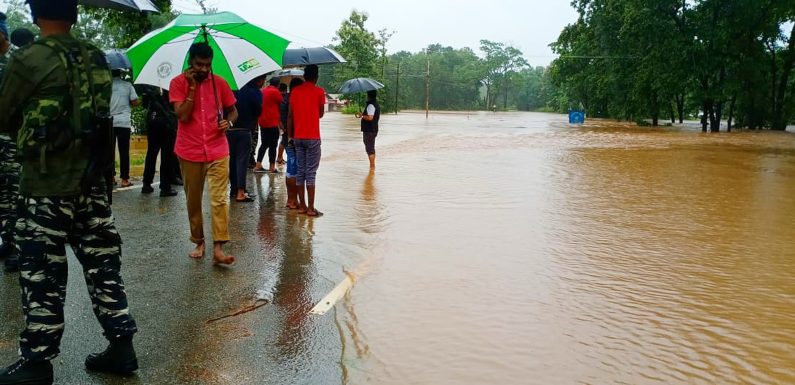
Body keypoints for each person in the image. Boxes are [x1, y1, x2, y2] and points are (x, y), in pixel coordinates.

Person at [0, 1, 139, 383]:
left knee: (42, 272)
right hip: (92, 181)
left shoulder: (28, 57)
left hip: (46, 184)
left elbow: (4, 115)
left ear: (34, 12)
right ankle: (122, 346)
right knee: (103, 265)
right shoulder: (94, 56)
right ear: (74, 12)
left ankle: (38, 363)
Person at [170, 42, 238, 265]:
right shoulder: (178, 83)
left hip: (218, 148)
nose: (203, 69)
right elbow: (182, 115)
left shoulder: (220, 84)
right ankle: (199, 241)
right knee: (193, 200)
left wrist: (228, 122)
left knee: (219, 199)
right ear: (191, 62)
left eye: (207, 65)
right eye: (199, 64)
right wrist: (191, 88)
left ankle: (219, 247)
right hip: (189, 150)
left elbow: (233, 111)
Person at [287, 64, 325, 217]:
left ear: (304, 76)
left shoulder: (295, 91)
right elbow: (320, 114)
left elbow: (290, 116)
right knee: (311, 173)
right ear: (316, 77)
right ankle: (311, 208)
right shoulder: (319, 92)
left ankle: (302, 206)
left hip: (297, 137)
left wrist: (290, 136)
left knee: (300, 172)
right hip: (313, 138)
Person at [0, 11, 21, 273]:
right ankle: (7, 239)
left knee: (15, 195)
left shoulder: (19, 61)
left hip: (14, 141)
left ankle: (18, 248)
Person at [140, 86, 178, 197]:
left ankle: (146, 183)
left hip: (152, 119)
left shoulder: (150, 86)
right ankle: (165, 186)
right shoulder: (172, 85)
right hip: (167, 120)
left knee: (151, 152)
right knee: (167, 154)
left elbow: (144, 104)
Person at [230, 76, 263, 202]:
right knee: (241, 161)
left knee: (232, 162)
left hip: (229, 129)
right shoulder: (254, 92)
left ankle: (234, 190)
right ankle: (240, 192)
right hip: (245, 131)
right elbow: (258, 111)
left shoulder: (231, 89)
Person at [110, 69, 140, 188]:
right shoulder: (128, 86)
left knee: (109, 151)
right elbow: (135, 101)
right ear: (121, 74)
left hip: (110, 122)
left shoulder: (107, 86)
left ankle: (111, 177)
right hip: (123, 123)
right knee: (124, 151)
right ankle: (124, 179)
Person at [282, 78, 303, 210]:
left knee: (290, 170)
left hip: (287, 138)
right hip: (294, 139)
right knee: (295, 170)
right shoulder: (294, 100)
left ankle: (291, 199)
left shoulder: (284, 99)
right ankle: (292, 200)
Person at [255, 77, 283, 173]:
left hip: (262, 122)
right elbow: (281, 104)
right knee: (273, 145)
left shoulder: (262, 91)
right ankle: (272, 167)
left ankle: (258, 164)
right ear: (278, 84)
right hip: (273, 123)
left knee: (264, 144)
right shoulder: (276, 92)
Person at [356, 89, 380, 170]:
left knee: (370, 148)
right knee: (371, 147)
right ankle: (372, 166)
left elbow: (370, 117)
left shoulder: (370, 105)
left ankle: (372, 167)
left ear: (368, 96)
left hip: (369, 130)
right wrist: (362, 115)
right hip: (373, 129)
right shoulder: (376, 104)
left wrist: (362, 116)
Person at [276, 82, 288, 165]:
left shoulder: (278, 97)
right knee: (284, 140)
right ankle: (279, 157)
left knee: (284, 139)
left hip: (280, 121)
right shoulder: (286, 98)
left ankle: (280, 157)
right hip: (286, 121)